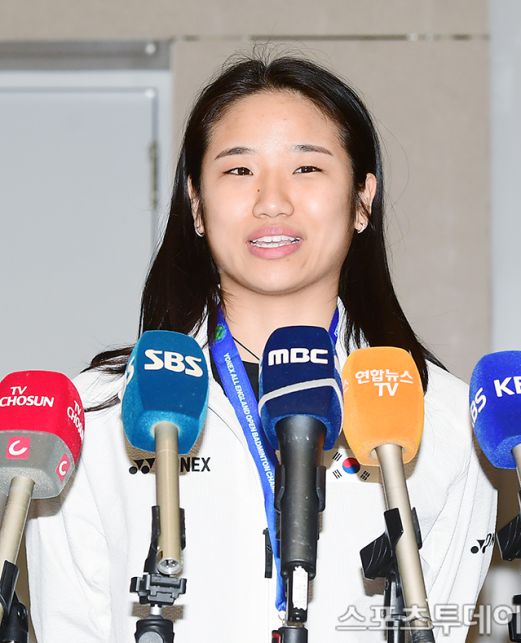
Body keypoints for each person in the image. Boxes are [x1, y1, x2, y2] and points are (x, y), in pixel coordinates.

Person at [25, 54, 496, 642]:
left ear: (362, 200)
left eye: (307, 168)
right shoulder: (97, 413)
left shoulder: (443, 416)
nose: (272, 200)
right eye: (240, 169)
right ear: (197, 205)